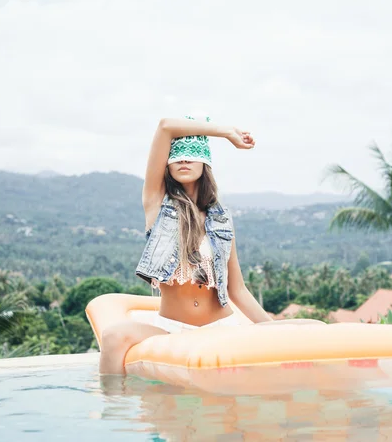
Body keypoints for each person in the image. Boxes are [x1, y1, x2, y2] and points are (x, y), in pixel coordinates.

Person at [99, 116, 321, 375]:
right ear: (167, 165)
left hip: (221, 327)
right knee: (114, 336)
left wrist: (270, 329)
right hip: (171, 328)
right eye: (176, 155)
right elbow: (164, 126)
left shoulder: (222, 220)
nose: (183, 160)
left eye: (192, 154)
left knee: (313, 326)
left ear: (205, 163)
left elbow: (237, 289)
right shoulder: (157, 204)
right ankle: (113, 409)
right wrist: (226, 132)